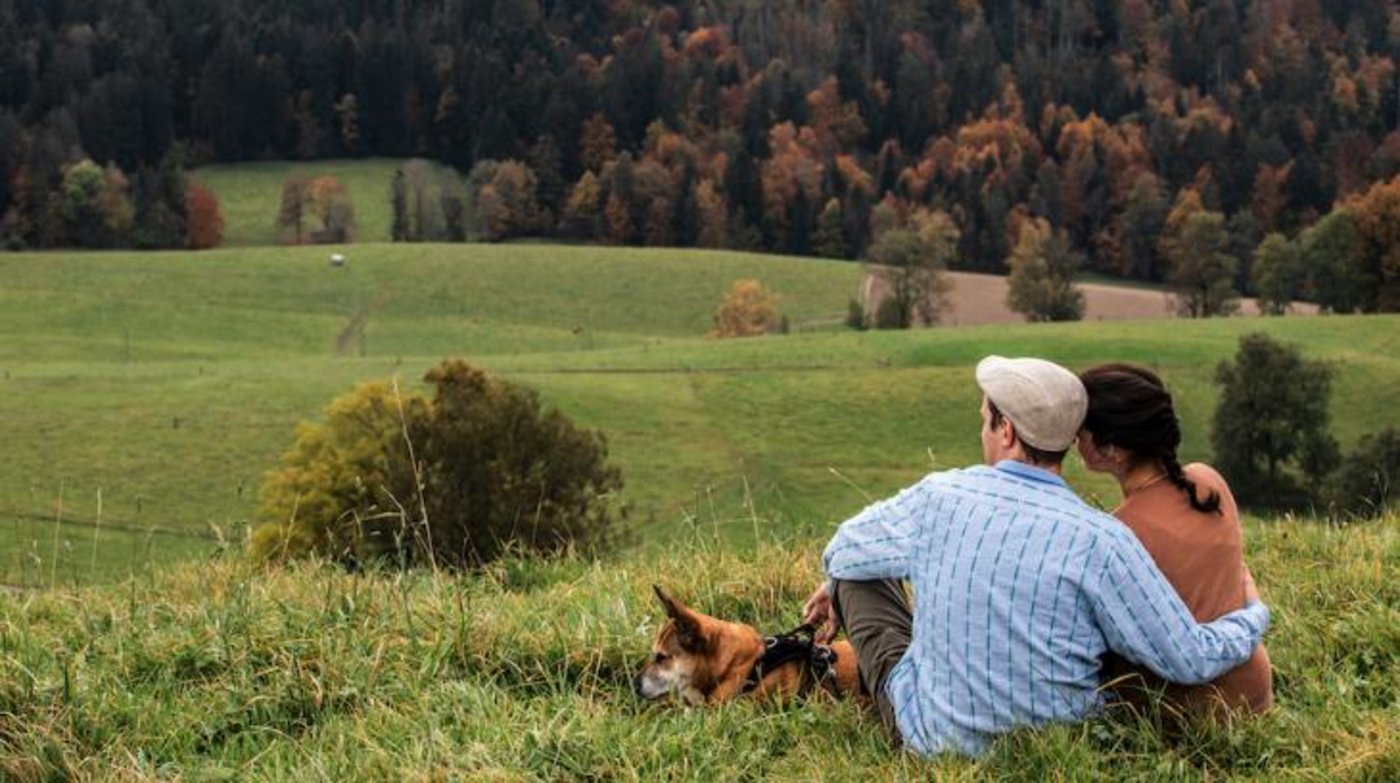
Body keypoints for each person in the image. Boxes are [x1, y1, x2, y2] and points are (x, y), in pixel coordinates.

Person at [801, 356, 1269, 757]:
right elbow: (1188, 659)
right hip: (1060, 742)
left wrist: (840, 582)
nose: (981, 426)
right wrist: (1252, 616)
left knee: (854, 573)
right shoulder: (1104, 539)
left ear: (1005, 430)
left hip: (933, 738)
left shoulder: (938, 496)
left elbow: (843, 549)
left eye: (984, 417)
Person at [1077, 363, 1273, 716]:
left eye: (1083, 428)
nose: (1075, 437)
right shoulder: (1208, 480)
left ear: (1113, 449)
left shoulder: (1119, 532)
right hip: (1255, 688)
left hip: (1186, 710)